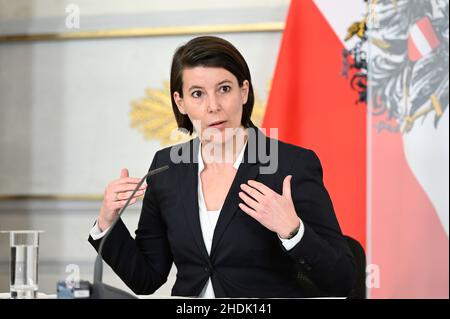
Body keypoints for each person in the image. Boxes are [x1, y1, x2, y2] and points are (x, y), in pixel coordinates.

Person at [89, 36, 356, 298]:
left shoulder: (291, 165)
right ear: (181, 102)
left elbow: (342, 279)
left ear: (244, 91)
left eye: (224, 89)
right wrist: (106, 221)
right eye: (197, 94)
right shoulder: (166, 167)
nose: (213, 106)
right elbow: (145, 279)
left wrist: (293, 230)